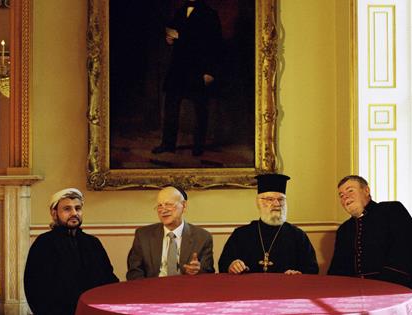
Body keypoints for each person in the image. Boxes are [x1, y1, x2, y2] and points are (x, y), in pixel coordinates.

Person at [328, 175, 412, 314]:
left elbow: (405, 250)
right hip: (355, 295)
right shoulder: (344, 229)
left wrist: (380, 288)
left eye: (350, 190)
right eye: (341, 195)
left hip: (393, 289)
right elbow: (338, 266)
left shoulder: (392, 210)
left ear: (366, 190)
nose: (345, 197)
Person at [24, 188, 118, 315]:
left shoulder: (93, 243)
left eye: (78, 208)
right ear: (54, 213)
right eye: (67, 209)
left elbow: (109, 279)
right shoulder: (43, 244)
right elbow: (34, 289)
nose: (74, 213)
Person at [151, 0, 223, 156]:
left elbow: (215, 45)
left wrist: (210, 72)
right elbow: (173, 32)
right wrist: (169, 38)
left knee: (200, 108)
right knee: (171, 106)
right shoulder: (180, 11)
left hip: (198, 69)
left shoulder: (210, 14)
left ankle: (199, 146)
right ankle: (168, 144)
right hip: (178, 68)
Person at [218, 174, 319, 274]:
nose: (276, 204)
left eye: (281, 199)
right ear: (259, 203)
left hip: (286, 289)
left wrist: (298, 274)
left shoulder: (298, 236)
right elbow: (223, 264)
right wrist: (231, 265)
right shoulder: (241, 235)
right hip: (249, 289)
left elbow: (312, 269)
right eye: (270, 199)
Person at [126, 186, 214, 280]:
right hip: (152, 289)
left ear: (184, 206)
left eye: (168, 204)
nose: (163, 210)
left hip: (187, 289)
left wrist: (198, 271)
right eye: (160, 205)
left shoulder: (202, 237)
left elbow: (208, 272)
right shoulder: (143, 235)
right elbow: (134, 271)